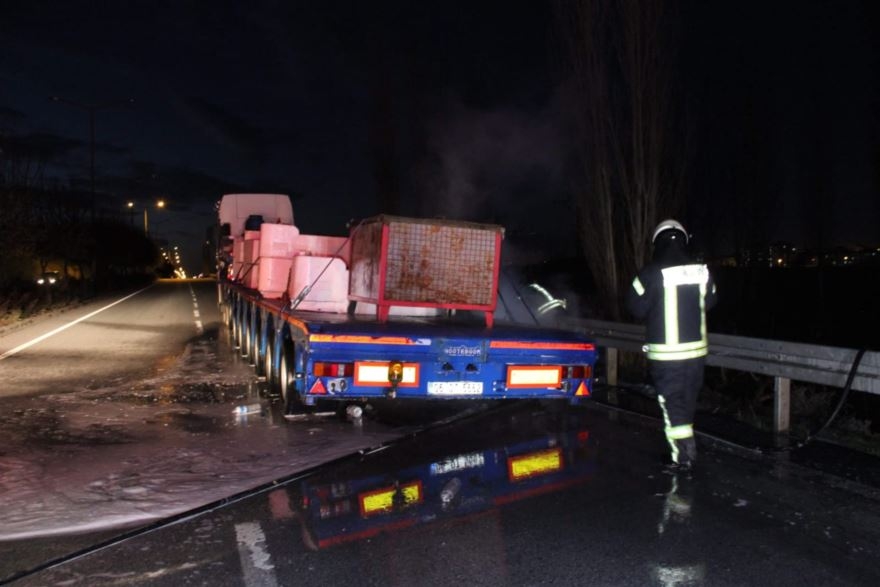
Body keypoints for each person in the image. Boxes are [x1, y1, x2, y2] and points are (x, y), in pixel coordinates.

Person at [626, 219, 717, 471]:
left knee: (672, 404)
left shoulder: (650, 273)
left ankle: (683, 457)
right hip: (697, 355)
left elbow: (634, 307)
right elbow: (710, 302)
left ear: (657, 242)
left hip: (667, 357)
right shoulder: (702, 271)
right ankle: (684, 448)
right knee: (686, 400)